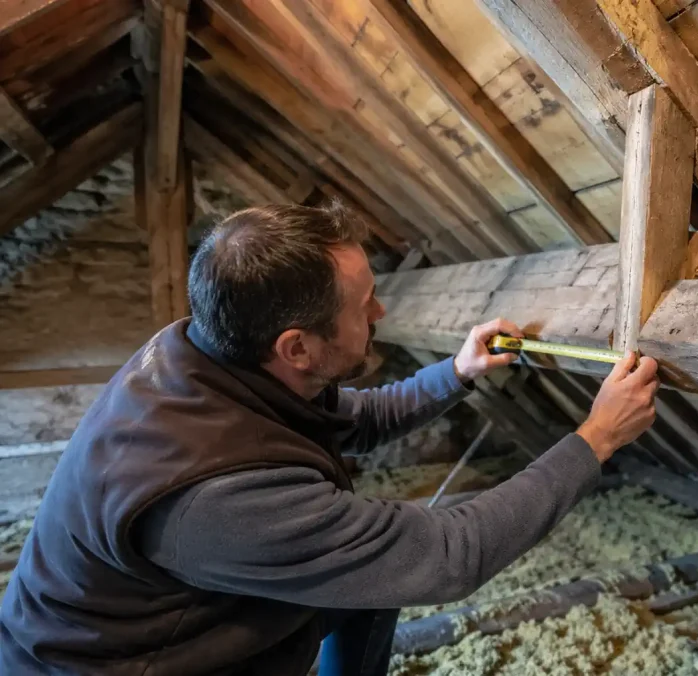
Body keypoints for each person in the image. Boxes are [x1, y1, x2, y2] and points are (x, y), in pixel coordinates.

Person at [0, 200, 660, 675]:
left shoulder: (206, 357)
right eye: (363, 304)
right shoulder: (217, 497)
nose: (380, 312)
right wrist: (595, 440)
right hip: (117, 663)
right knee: (393, 565)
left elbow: (353, 417)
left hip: (172, 620)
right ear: (297, 346)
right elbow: (449, 554)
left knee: (369, 584)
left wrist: (455, 373)